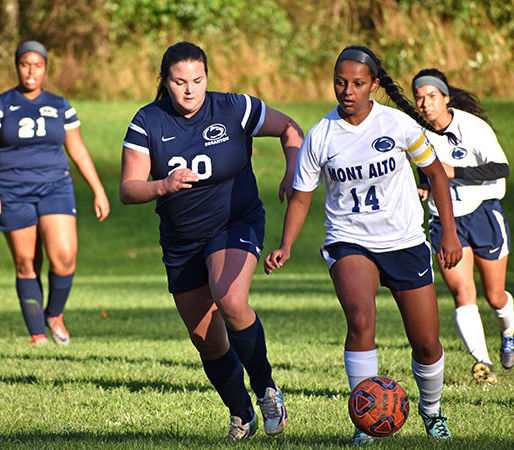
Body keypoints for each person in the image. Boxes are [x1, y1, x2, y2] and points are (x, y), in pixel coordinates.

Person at [265, 45, 462, 445]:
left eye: (357, 83)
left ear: (374, 85)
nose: (348, 90)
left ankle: (431, 410)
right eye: (341, 82)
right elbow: (302, 196)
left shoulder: (399, 125)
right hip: (349, 240)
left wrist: (450, 232)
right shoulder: (321, 135)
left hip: (405, 241)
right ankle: (365, 421)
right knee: (360, 318)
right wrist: (285, 245)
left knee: (425, 342)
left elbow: (437, 176)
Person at [119, 41, 303, 441]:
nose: (189, 90)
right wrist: (163, 185)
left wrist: (293, 170)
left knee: (230, 298)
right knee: (206, 337)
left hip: (234, 222)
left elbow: (290, 128)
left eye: (198, 81)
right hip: (182, 240)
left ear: (208, 78)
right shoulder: (148, 121)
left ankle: (267, 389)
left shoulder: (234, 108)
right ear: (165, 82)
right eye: (180, 82)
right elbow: (128, 189)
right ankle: (242, 413)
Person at [0, 41, 110, 346]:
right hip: (12, 188)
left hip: (55, 186)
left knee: (63, 257)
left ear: (46, 67)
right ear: (16, 66)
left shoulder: (60, 105)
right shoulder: (2, 104)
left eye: (38, 64)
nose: (31, 70)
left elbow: (77, 149)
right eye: (25, 63)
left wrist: (98, 190)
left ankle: (55, 314)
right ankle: (38, 335)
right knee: (26, 261)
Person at [412, 68, 513, 384]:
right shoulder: (418, 132)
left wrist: (454, 172)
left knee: (495, 295)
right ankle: (483, 364)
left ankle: (508, 331)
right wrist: (424, 186)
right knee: (462, 290)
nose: (426, 104)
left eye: (432, 97)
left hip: (482, 211)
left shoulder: (473, 128)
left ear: (445, 98)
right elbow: (422, 165)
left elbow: (501, 168)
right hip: (445, 220)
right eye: (420, 98)